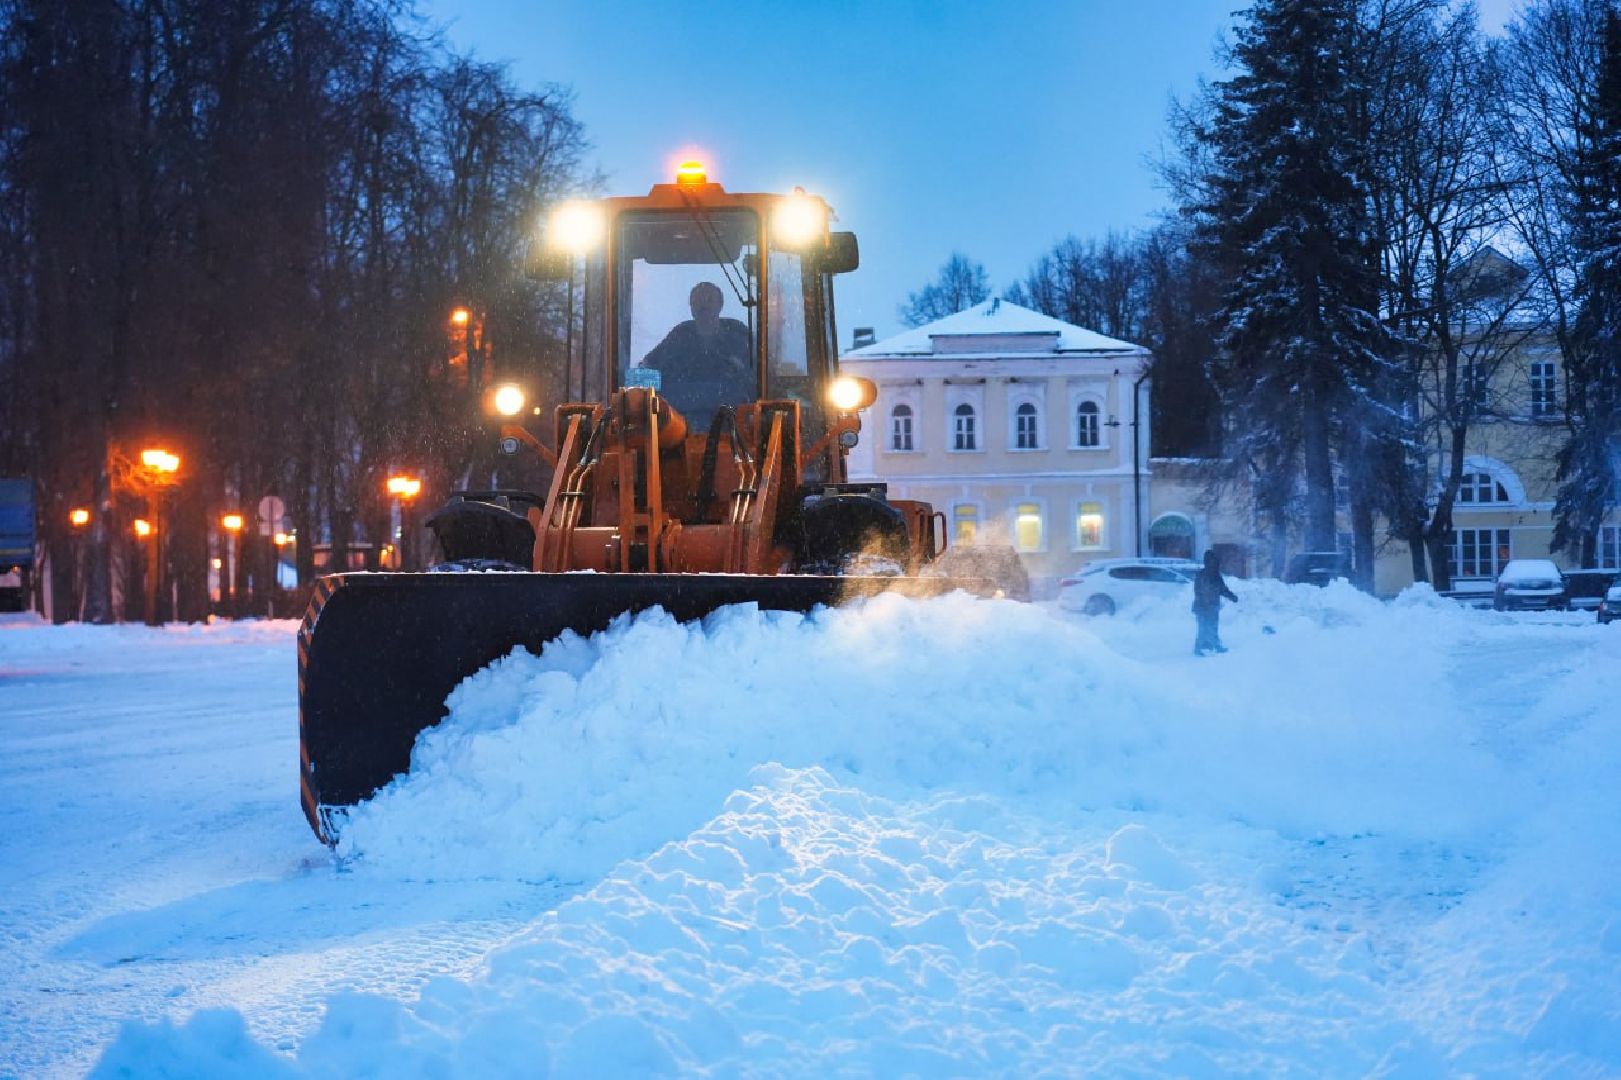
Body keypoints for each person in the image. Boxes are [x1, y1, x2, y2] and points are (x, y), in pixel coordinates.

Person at [640, 281, 754, 416]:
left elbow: (758, 375)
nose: (703, 305)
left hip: (733, 421)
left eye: (709, 300)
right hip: (679, 423)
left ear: (720, 305)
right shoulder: (679, 337)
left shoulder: (739, 336)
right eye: (698, 301)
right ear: (691, 306)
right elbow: (649, 367)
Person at [1192, 549, 1238, 656]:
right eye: (1213, 561)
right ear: (1208, 561)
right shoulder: (1202, 575)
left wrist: (1231, 596)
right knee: (1203, 628)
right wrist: (1205, 604)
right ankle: (1198, 648)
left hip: (1212, 606)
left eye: (1215, 561)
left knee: (1213, 627)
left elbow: (1222, 589)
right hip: (1202, 606)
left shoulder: (1216, 575)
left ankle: (1214, 645)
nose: (1215, 563)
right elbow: (1199, 591)